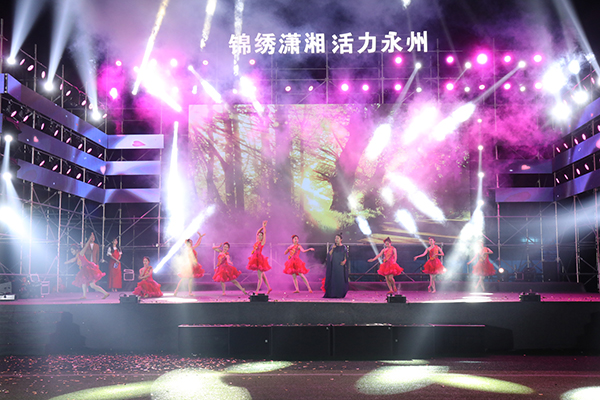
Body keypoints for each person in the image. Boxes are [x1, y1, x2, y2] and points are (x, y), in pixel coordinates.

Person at [66, 233, 109, 299]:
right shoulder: (77, 256)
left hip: (89, 269)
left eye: (72, 250)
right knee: (84, 282)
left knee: (92, 285)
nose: (71, 252)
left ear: (76, 250)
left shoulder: (81, 253)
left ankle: (105, 293)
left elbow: (86, 246)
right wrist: (65, 262)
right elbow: (73, 260)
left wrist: (89, 239)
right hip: (85, 269)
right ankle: (84, 295)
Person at [247, 221, 272, 294]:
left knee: (259, 277)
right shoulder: (256, 241)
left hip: (259, 260)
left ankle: (257, 291)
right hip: (255, 258)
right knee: (263, 276)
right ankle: (269, 288)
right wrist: (262, 227)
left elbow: (265, 233)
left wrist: (264, 227)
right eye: (259, 235)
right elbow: (257, 232)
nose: (259, 236)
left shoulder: (262, 242)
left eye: (261, 236)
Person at [324, 233, 349, 298]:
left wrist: (344, 261)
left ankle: (340, 294)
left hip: (340, 266)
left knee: (340, 279)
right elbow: (329, 255)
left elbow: (346, 256)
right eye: (335, 238)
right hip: (334, 265)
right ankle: (333, 293)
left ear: (341, 239)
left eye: (338, 238)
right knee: (333, 279)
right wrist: (332, 249)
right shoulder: (333, 246)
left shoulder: (343, 247)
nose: (336, 239)